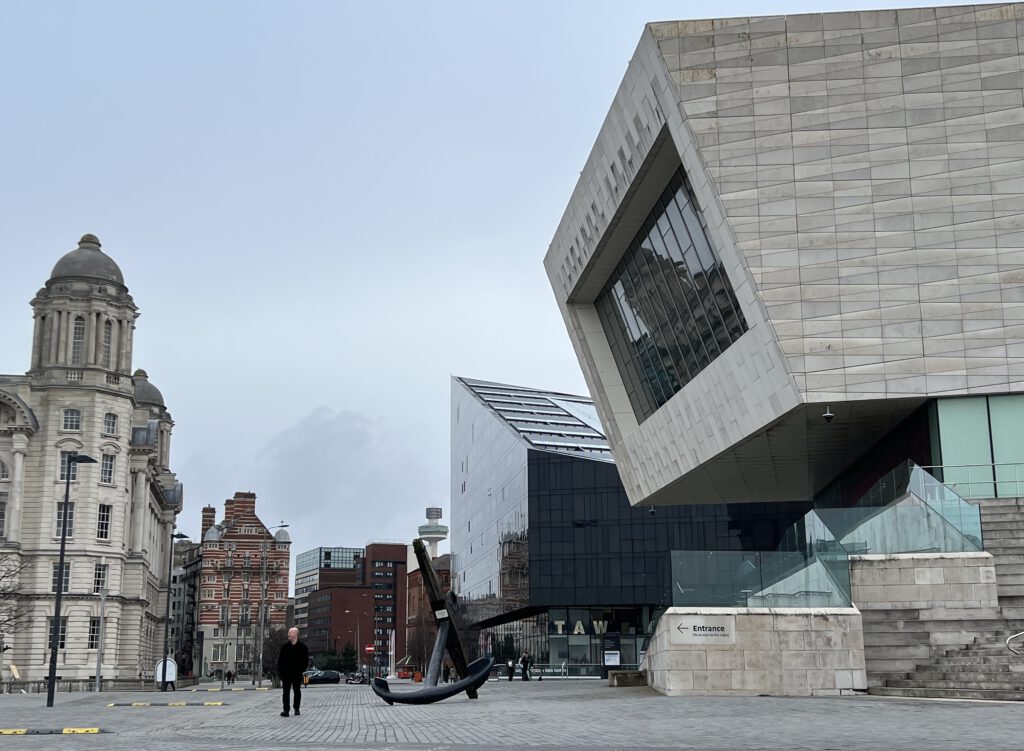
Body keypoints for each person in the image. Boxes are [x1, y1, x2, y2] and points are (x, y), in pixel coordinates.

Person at [277, 626, 309, 717]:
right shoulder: (285, 647)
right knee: (285, 692)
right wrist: (281, 672)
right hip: (286, 674)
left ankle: (296, 708)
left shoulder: (303, 647)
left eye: (290, 633)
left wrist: (300, 671)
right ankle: (286, 710)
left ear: (295, 634)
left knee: (297, 691)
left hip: (297, 674)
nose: (288, 635)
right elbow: (280, 661)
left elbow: (305, 662)